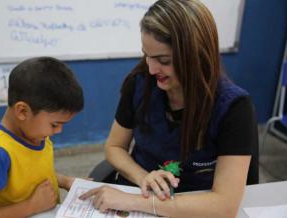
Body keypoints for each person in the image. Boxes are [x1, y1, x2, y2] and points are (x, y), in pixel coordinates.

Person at [80, 0, 258, 217]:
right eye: (147, 55)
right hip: (137, 196)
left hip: (193, 207)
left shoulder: (233, 108)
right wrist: (142, 177)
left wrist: (136, 202)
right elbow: (114, 147)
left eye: (163, 60)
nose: (152, 69)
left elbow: (225, 206)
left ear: (195, 56)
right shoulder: (139, 84)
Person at [0, 57, 84, 218]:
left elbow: (32, 174)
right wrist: (31, 206)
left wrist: (65, 181)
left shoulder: (36, 135)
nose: (58, 131)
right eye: (54, 124)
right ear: (22, 111)